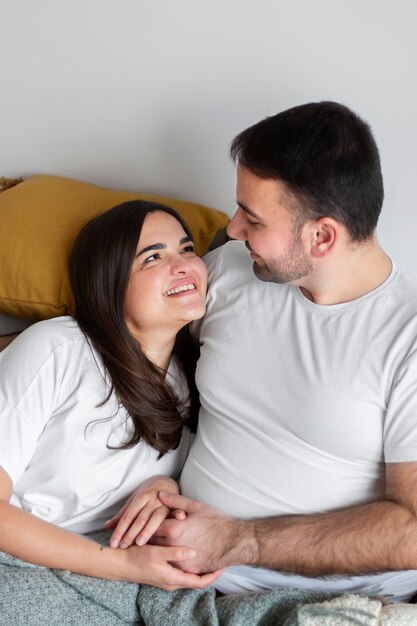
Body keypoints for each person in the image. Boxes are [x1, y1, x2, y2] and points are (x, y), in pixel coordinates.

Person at [113, 102, 417, 603]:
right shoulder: (232, 271)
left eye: (251, 219)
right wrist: (149, 476)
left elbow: (410, 531)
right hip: (173, 569)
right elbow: (126, 343)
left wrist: (238, 541)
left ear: (322, 236)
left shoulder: (405, 336)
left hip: (320, 602)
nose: (231, 230)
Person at [0, 199, 221, 591]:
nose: (184, 265)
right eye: (153, 258)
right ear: (110, 281)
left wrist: (165, 488)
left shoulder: (200, 375)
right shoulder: (58, 349)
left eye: (187, 250)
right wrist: (125, 566)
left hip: (99, 570)